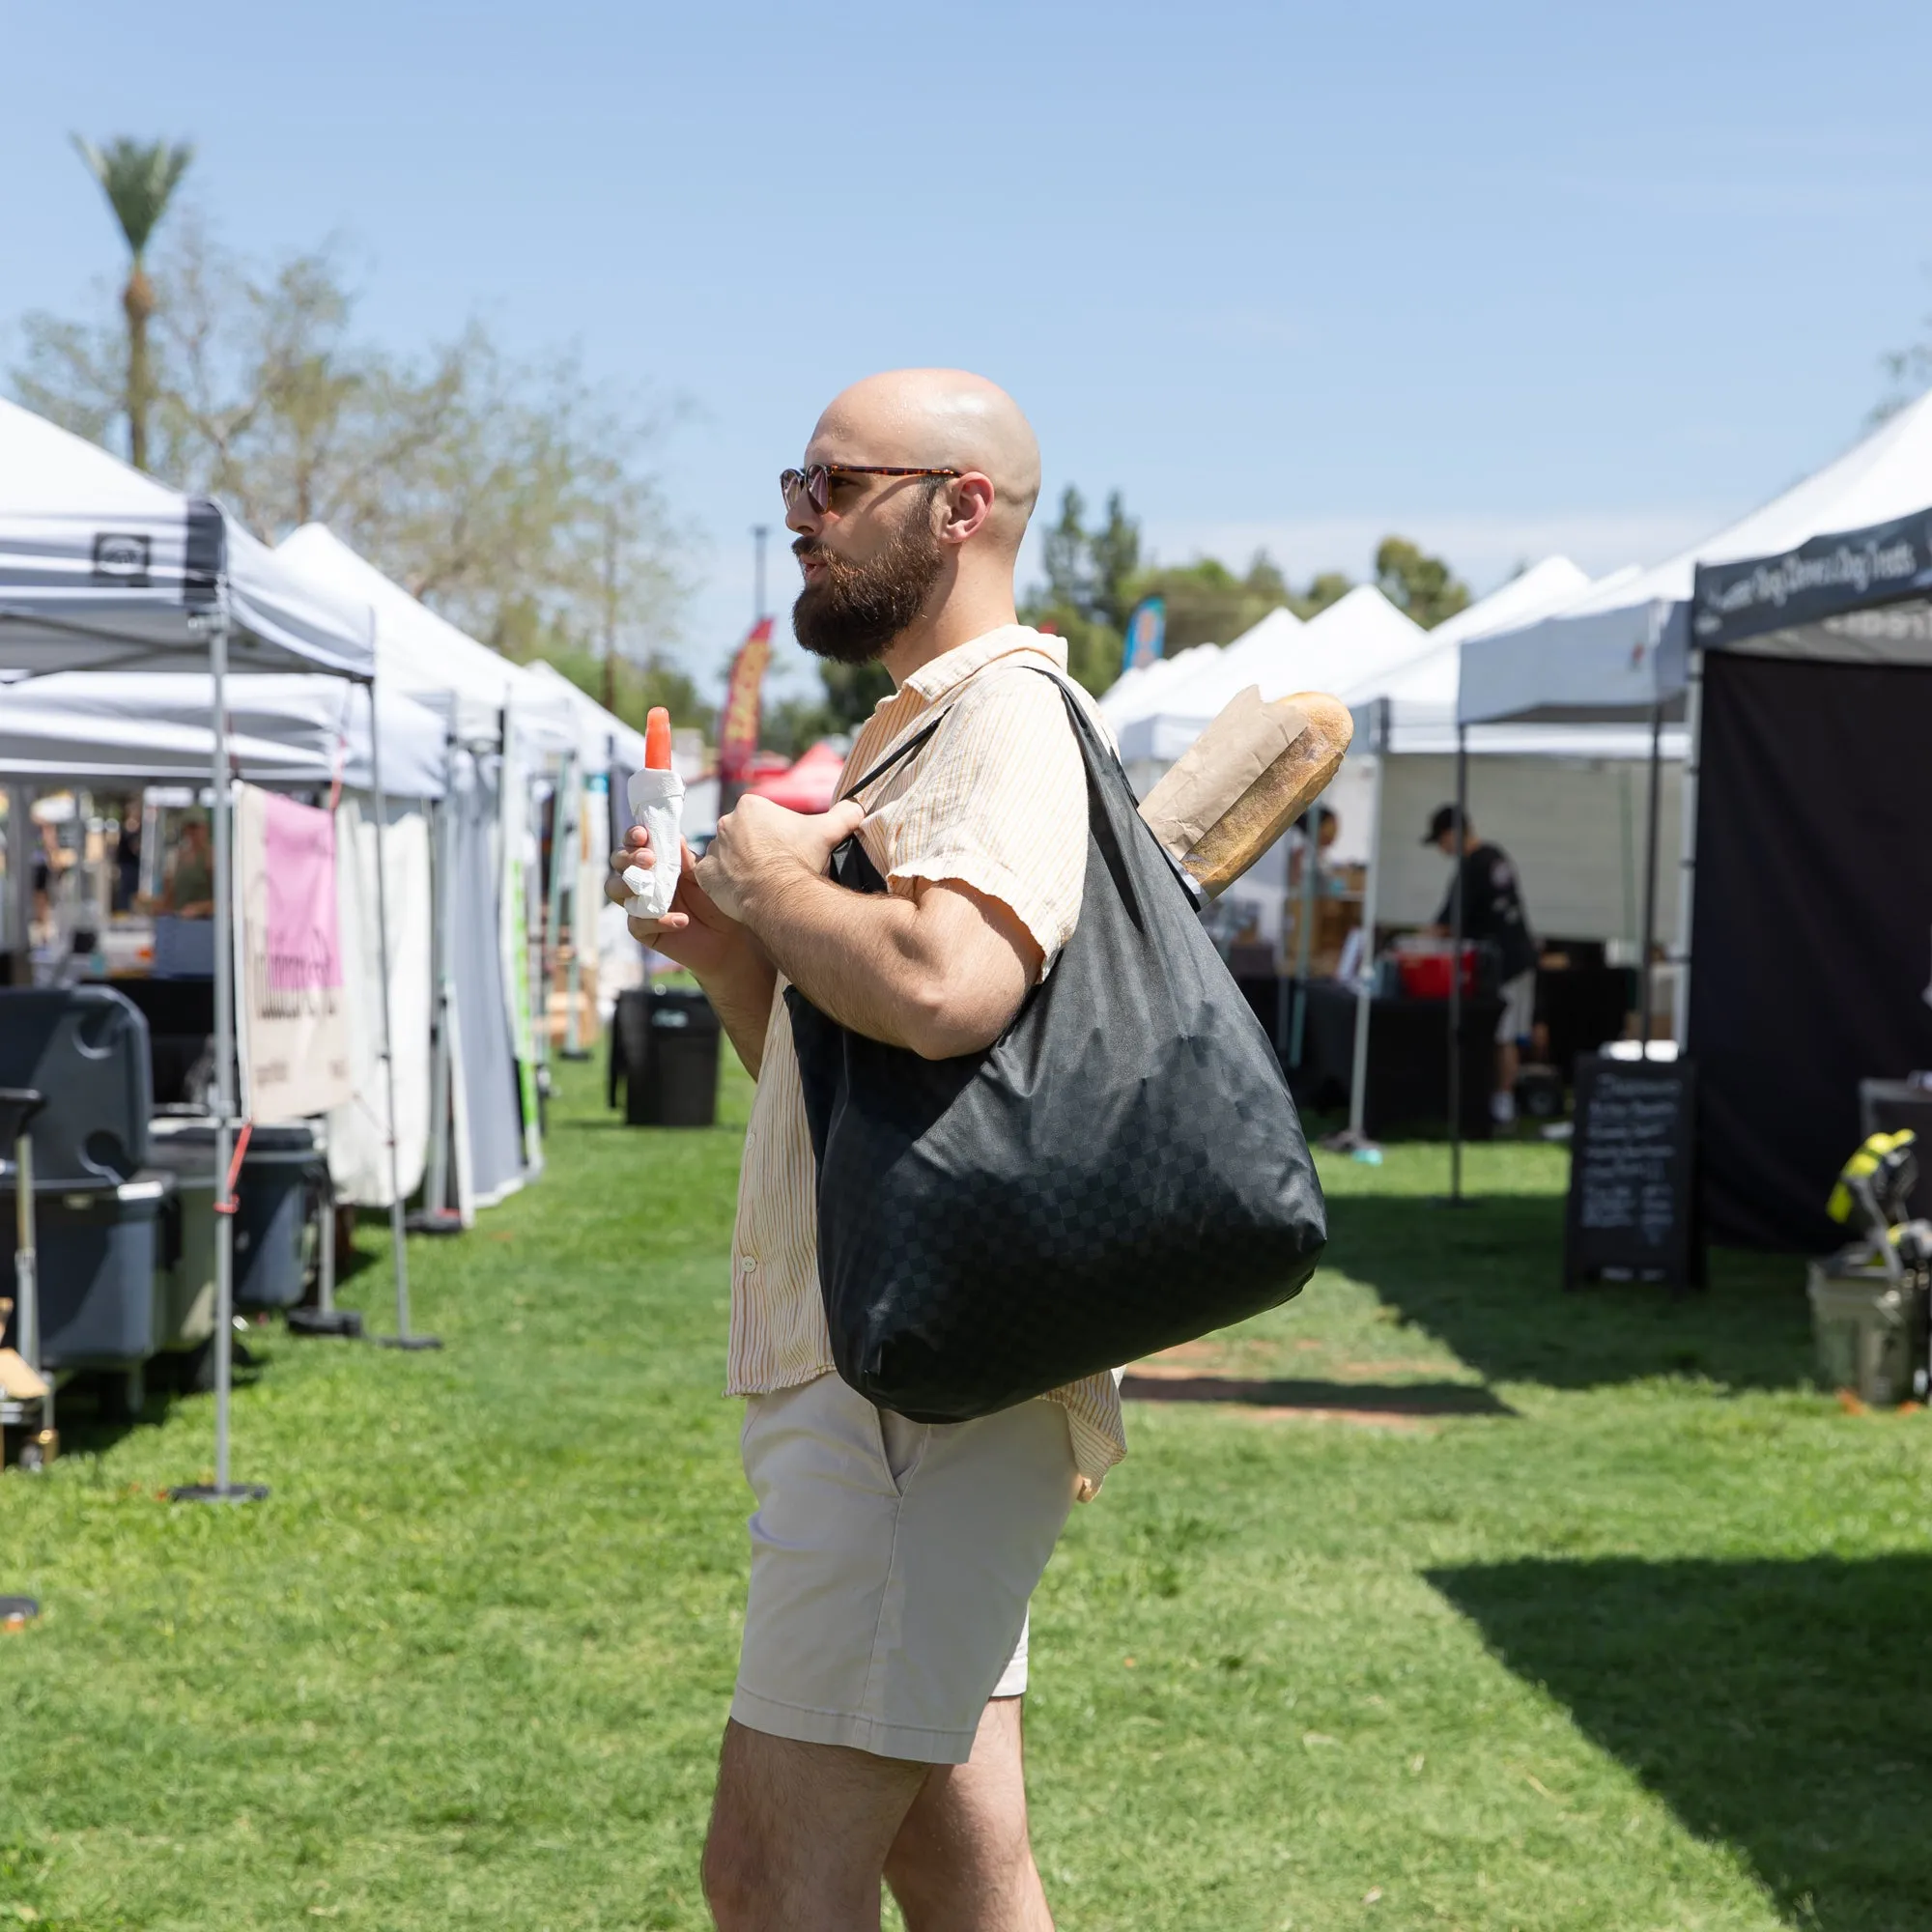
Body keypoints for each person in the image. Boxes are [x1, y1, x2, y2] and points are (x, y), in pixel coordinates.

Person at [609, 369, 1118, 1929]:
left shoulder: (1006, 719)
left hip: (909, 1390)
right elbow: (863, 1095)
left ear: (959, 505)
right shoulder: (921, 731)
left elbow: (950, 991)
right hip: (902, 1365)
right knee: (960, 1868)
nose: (797, 524)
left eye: (833, 489)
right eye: (795, 491)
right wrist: (736, 958)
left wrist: (769, 874)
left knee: (768, 1878)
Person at [1425, 804, 1537, 1123]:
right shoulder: (1493, 857)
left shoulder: (1474, 866)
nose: (1442, 849)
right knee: (1506, 1034)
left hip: (1505, 965)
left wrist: (1415, 941)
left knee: (1503, 1035)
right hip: (1514, 959)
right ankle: (1499, 1097)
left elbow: (1446, 923)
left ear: (1453, 833)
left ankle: (1502, 1101)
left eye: (1441, 840)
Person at [158, 812, 213, 919]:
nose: (192, 833)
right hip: (179, 920)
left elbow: (224, 899)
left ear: (205, 829)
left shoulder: (211, 857)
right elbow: (168, 895)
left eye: (195, 828)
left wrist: (200, 908)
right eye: (188, 829)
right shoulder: (176, 857)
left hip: (205, 922)